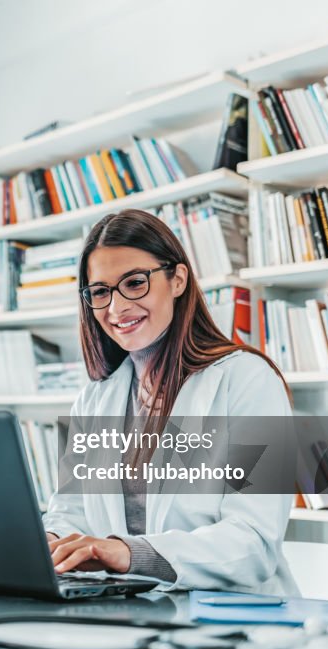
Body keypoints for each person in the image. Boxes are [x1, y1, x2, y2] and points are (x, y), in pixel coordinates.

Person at [44, 208, 298, 595]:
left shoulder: (247, 380)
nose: (116, 308)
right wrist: (47, 542)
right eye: (100, 292)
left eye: (134, 283)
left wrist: (128, 553)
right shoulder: (95, 399)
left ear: (177, 279)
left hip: (230, 622)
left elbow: (252, 543)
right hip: (126, 610)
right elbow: (71, 512)